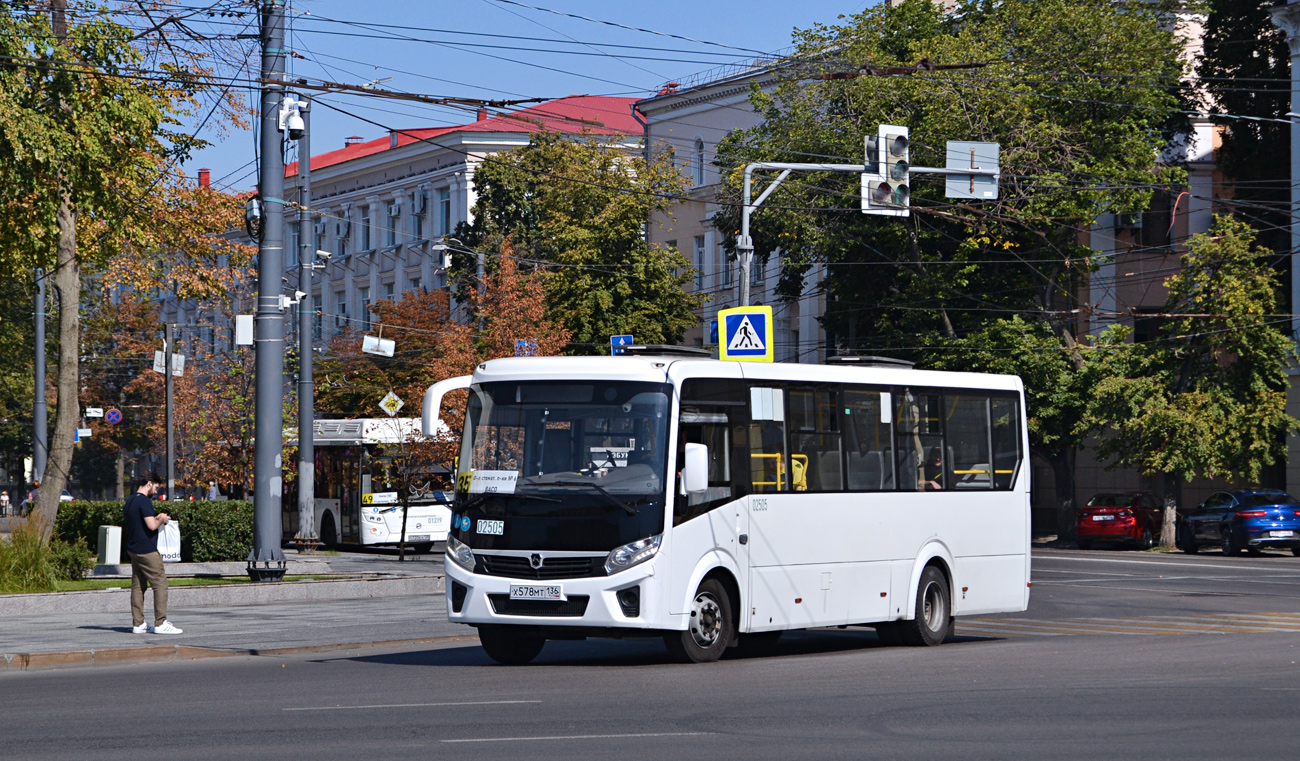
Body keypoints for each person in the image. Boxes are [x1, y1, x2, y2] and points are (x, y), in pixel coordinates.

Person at [124, 471, 182, 635]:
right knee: (160, 584)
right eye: (156, 487)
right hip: (147, 550)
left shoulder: (130, 501)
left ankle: (138, 623)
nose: (157, 491)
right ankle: (161, 623)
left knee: (138, 586)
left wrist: (156, 519)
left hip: (133, 548)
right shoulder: (144, 501)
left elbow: (139, 523)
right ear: (149, 483)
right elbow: (151, 525)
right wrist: (162, 519)